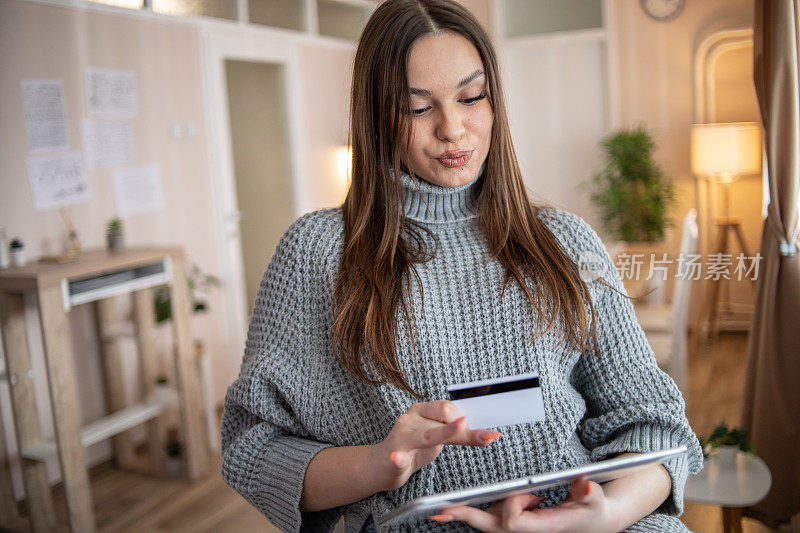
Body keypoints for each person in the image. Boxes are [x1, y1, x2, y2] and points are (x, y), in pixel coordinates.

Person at [220, 0, 703, 531]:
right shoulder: (316, 254)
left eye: (471, 97)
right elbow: (254, 449)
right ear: (377, 116)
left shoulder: (564, 241)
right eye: (418, 108)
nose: (452, 128)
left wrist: (603, 514)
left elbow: (658, 428)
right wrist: (379, 464)